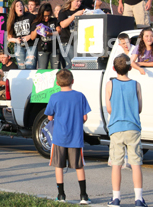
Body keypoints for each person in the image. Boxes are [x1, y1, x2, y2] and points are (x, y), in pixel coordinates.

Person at [105, 54, 147, 207]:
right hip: (133, 127)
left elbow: (109, 108)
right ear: (130, 68)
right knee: (136, 163)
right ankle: (138, 199)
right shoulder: (136, 85)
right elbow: (139, 108)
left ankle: (116, 198)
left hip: (116, 128)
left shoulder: (110, 85)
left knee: (116, 164)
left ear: (114, 68)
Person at [44, 69, 91, 205]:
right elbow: (84, 117)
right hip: (75, 137)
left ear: (57, 83)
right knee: (79, 166)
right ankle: (83, 195)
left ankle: (61, 195)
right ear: (73, 81)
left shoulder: (54, 97)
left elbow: (49, 117)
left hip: (59, 138)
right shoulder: (80, 96)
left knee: (58, 166)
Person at [0, 51, 18, 136]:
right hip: (2, 89)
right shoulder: (3, 66)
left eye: (3, 57)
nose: (1, 60)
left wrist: (2, 82)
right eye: (0, 58)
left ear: (9, 57)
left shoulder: (14, 67)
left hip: (9, 90)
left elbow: (13, 83)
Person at [7, 0, 37, 69]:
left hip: (31, 45)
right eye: (17, 6)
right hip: (19, 46)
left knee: (30, 66)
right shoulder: (12, 20)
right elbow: (9, 37)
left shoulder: (30, 16)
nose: (20, 7)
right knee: (21, 67)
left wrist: (29, 36)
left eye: (21, 5)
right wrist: (16, 40)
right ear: (14, 9)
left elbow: (37, 29)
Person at [31, 3, 62, 69]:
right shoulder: (36, 22)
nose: (47, 18)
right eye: (45, 16)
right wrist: (37, 29)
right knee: (42, 70)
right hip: (42, 49)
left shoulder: (54, 20)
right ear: (41, 14)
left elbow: (59, 31)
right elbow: (32, 37)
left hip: (54, 48)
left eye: (49, 15)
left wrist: (50, 34)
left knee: (56, 69)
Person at [58, 0, 84, 69]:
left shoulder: (82, 9)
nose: (79, 3)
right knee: (74, 64)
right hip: (67, 42)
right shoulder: (63, 11)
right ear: (71, 1)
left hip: (79, 43)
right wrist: (74, 16)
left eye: (80, 1)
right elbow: (63, 24)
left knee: (78, 65)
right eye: (77, 1)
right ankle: (62, 78)